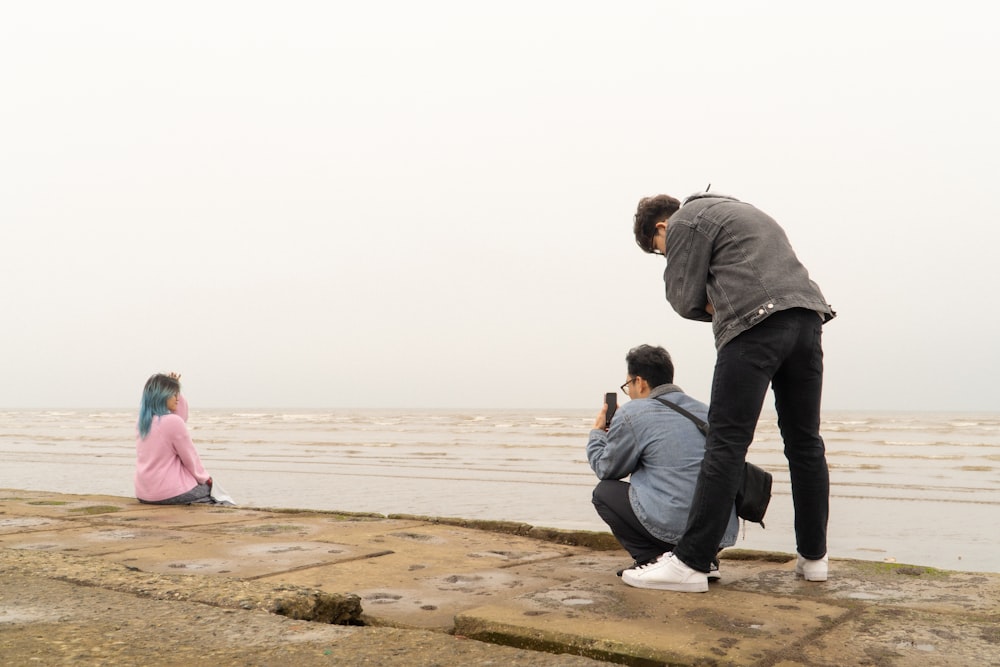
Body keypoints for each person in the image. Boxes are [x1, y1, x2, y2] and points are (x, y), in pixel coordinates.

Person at [627, 191, 835, 592]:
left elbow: (682, 297)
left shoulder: (685, 221)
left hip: (755, 324)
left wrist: (711, 303)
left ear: (660, 227)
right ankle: (813, 558)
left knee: (725, 443)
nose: (665, 253)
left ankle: (689, 562)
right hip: (808, 320)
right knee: (805, 443)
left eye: (658, 249)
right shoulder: (742, 210)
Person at [587, 344, 738, 588]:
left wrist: (597, 434)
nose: (629, 393)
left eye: (628, 386)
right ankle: (702, 559)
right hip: (718, 533)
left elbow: (607, 469)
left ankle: (654, 560)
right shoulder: (705, 410)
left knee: (604, 492)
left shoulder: (634, 411)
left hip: (672, 529)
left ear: (640, 382)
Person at [134, 373, 215, 505]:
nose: (177, 398)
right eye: (173, 394)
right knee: (214, 493)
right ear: (161, 396)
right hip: (171, 492)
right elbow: (190, 458)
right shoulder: (173, 422)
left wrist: (175, 388)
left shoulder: (142, 422)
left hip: (144, 493)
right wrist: (205, 478)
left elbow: (180, 419)